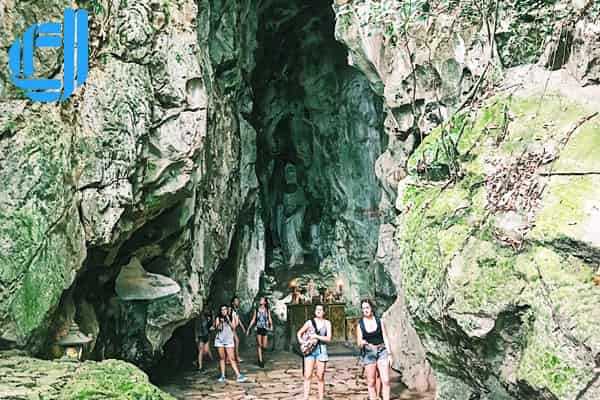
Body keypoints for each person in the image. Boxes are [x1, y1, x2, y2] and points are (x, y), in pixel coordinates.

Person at [357, 299, 392, 400]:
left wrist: (390, 354)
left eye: (367, 307)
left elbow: (385, 337)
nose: (365, 310)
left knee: (385, 380)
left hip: (382, 351)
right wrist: (362, 343)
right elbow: (359, 342)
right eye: (363, 308)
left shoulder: (379, 321)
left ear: (371, 308)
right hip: (369, 353)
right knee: (371, 382)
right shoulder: (360, 325)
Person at [297, 304, 332, 400]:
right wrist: (302, 342)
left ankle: (320, 398)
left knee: (320, 376)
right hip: (310, 350)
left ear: (324, 312)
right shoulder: (309, 322)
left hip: (321, 349)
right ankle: (305, 397)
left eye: (321, 309)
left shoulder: (327, 323)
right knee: (307, 375)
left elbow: (328, 338)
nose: (319, 311)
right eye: (317, 309)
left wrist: (317, 337)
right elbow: (299, 333)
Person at [213, 304, 247, 383]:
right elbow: (218, 328)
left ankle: (238, 375)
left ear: (227, 310)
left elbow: (233, 327)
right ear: (220, 311)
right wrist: (221, 322)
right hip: (220, 340)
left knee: (232, 358)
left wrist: (228, 320)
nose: (223, 311)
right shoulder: (218, 318)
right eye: (222, 310)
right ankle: (223, 376)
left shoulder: (231, 317)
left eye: (225, 309)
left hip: (229, 340)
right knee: (222, 358)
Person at [246, 296, 273, 368]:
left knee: (264, 346)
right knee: (259, 345)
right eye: (260, 299)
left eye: (262, 300)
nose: (260, 301)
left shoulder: (267, 310)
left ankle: (262, 356)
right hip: (258, 328)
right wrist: (249, 328)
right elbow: (253, 319)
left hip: (265, 328)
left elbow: (269, 318)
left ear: (265, 302)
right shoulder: (257, 310)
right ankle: (260, 361)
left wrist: (271, 325)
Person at [230, 296, 247, 363]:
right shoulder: (230, 310)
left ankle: (231, 358)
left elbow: (238, 319)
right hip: (230, 329)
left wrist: (242, 327)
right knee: (236, 341)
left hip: (233, 329)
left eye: (238, 300)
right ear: (232, 303)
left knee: (234, 342)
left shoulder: (236, 310)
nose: (237, 302)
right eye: (236, 301)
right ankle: (236, 357)